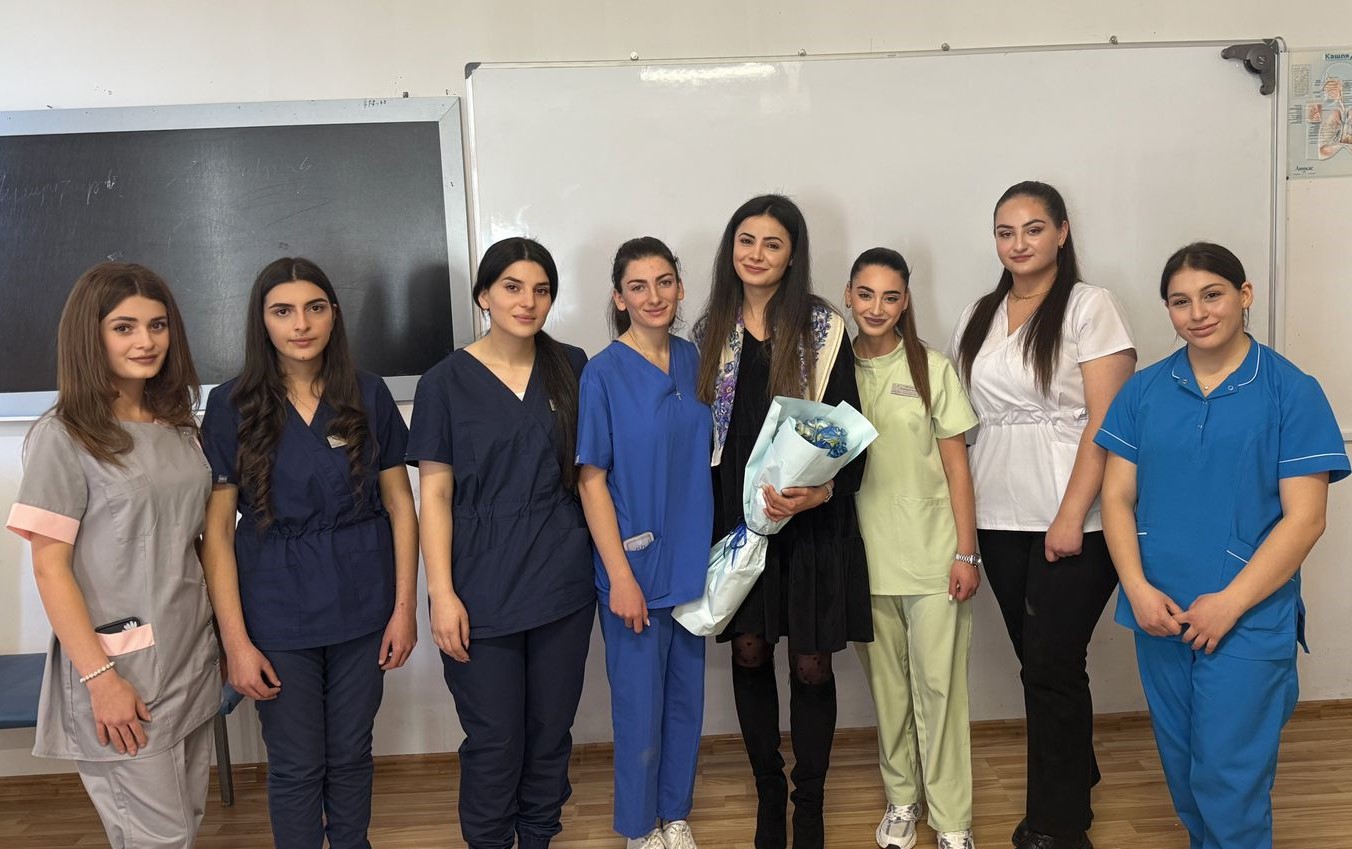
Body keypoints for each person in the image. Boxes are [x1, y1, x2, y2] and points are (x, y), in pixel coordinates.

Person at [1095, 242, 1348, 849]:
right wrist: (1137, 588)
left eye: (1212, 295)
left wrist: (1229, 604)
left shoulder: (1291, 391)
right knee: (1185, 775)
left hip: (1247, 619)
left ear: (1244, 295)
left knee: (1229, 782)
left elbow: (1306, 520)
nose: (1197, 313)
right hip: (1160, 612)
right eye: (1180, 302)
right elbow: (1116, 498)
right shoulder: (1144, 391)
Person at [200, 257, 419, 849]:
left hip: (363, 603)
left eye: (315, 308)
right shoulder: (230, 404)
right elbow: (217, 533)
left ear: (334, 315)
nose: (301, 324)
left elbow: (401, 506)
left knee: (350, 753)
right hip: (276, 610)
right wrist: (236, 643)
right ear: (262, 321)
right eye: (283, 311)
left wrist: (404, 610)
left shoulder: (369, 394)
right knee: (297, 763)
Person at [6, 262, 219, 849]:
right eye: (124, 327)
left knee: (186, 822)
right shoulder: (64, 435)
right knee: (159, 837)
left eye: (157, 325)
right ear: (90, 336)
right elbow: (49, 566)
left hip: (188, 656)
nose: (146, 341)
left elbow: (192, 543)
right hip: (120, 671)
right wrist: (101, 681)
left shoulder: (178, 426)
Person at [949, 181, 1136, 849]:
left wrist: (1071, 514)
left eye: (1033, 228)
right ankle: (1076, 770)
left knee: (1053, 663)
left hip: (1074, 514)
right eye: (1006, 231)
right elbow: (965, 420)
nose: (1018, 243)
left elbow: (1108, 421)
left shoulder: (1090, 306)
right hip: (999, 512)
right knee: (1039, 663)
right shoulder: (979, 312)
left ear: (1061, 231)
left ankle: (1057, 825)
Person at [694, 194, 870, 849]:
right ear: (731, 248)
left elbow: (850, 433)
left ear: (793, 254)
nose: (757, 254)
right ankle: (769, 793)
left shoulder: (824, 330)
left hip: (812, 521)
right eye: (747, 240)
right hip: (740, 521)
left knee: (811, 665)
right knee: (748, 650)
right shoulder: (709, 330)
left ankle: (810, 805)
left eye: (773, 243)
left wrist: (819, 496)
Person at [407, 237, 595, 849]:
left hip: (562, 579)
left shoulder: (573, 366)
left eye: (541, 290)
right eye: (512, 287)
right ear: (484, 295)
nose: (527, 302)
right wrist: (441, 594)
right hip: (479, 586)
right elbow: (435, 494)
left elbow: (593, 474)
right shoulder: (443, 382)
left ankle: (538, 837)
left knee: (549, 732)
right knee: (495, 739)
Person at [577, 236, 714, 849]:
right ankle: (639, 829)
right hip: (632, 564)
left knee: (685, 699)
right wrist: (620, 577)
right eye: (638, 286)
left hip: (691, 561)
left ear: (680, 288)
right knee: (638, 707)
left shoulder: (696, 360)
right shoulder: (602, 373)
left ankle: (675, 814)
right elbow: (591, 480)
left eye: (664, 282)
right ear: (619, 298)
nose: (653, 296)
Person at [847, 248, 980, 849]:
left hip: (933, 557)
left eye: (890, 296)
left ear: (905, 302)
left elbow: (957, 469)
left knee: (940, 692)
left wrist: (966, 553)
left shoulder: (932, 368)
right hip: (864, 559)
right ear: (849, 296)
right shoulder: (831, 370)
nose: (877, 307)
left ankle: (952, 820)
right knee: (889, 692)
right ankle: (902, 801)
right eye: (866, 294)